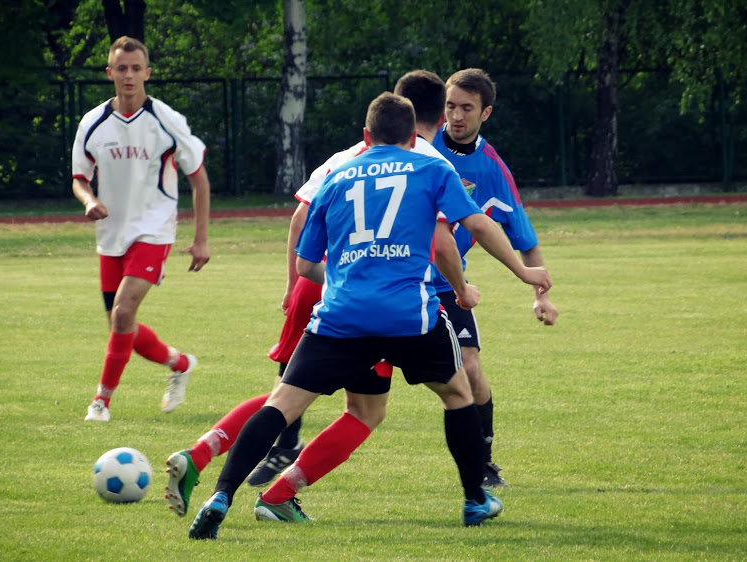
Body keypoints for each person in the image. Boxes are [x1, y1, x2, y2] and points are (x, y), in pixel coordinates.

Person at [187, 92, 552, 539]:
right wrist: (522, 271)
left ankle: (220, 496)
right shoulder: (433, 167)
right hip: (408, 316)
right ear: (413, 136)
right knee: (458, 394)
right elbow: (476, 224)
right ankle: (476, 500)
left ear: (367, 134)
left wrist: (347, 278)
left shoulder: (336, 177)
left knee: (281, 405)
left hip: (341, 317)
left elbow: (306, 264)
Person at [428, 68, 559, 485]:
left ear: (486, 112)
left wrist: (540, 295)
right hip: (394, 277)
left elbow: (525, 239)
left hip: (448, 286)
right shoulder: (421, 146)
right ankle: (286, 440)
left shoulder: (492, 170)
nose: (456, 116)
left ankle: (483, 461)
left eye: (467, 108)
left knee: (469, 368)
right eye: (450, 106)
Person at [72, 36, 210, 422]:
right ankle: (180, 363)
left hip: (154, 230)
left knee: (122, 313)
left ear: (147, 73)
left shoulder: (166, 120)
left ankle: (101, 402)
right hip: (110, 235)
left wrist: (200, 239)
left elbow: (199, 180)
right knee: (121, 325)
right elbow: (79, 178)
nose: (129, 75)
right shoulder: (93, 122)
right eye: (122, 68)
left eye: (136, 68)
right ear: (110, 73)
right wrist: (88, 200)